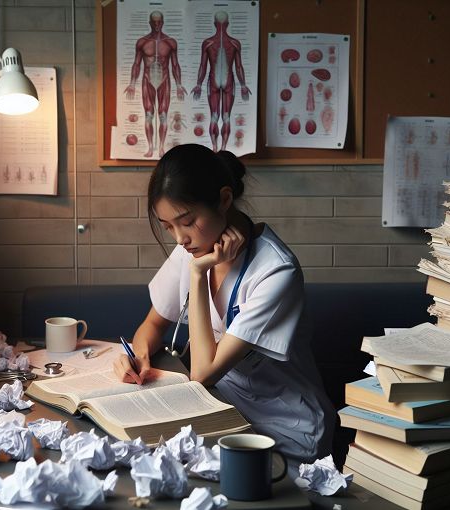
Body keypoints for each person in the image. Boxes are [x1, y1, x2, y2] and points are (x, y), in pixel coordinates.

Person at [113, 143, 335, 476]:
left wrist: (199, 273)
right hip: (221, 412)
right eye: (167, 226)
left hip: (283, 428)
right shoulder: (194, 248)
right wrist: (140, 354)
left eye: (187, 222)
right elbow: (154, 324)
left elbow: (203, 373)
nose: (179, 238)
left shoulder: (275, 271)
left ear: (225, 199)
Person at [124, 11, 187, 158]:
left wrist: (178, 85)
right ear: (150, 22)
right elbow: (136, 64)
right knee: (148, 115)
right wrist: (132, 83)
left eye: (159, 22)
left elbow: (175, 64)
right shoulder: (142, 42)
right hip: (148, 80)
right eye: (154, 22)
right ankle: (150, 147)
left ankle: (161, 148)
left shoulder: (170, 42)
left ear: (163, 22)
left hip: (164, 80)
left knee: (163, 115)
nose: (157, 25)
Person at [191, 11, 251, 152]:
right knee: (226, 117)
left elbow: (203, 66)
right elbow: (238, 66)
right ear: (228, 24)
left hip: (213, 81)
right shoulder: (235, 43)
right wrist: (243, 85)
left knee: (214, 116)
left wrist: (199, 84)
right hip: (228, 80)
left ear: (214, 24)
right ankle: (223, 149)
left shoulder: (207, 43)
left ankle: (214, 147)